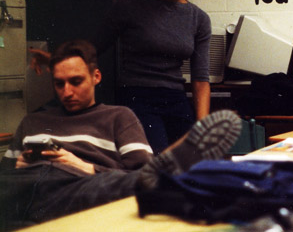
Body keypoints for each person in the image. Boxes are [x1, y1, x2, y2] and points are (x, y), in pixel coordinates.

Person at [1, 40, 242, 230]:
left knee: (127, 182)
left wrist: (86, 168)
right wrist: (19, 167)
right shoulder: (32, 120)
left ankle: (166, 171)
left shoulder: (119, 117)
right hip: (21, 187)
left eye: (76, 82)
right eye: (59, 84)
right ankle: (166, 175)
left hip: (77, 186)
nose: (67, 92)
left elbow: (137, 171)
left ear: (96, 77)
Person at [30, 0, 212, 155]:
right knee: (158, 163)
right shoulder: (129, 7)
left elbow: (201, 79)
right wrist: (54, 59)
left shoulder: (198, 18)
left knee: (193, 163)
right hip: (138, 98)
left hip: (175, 99)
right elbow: (91, 50)